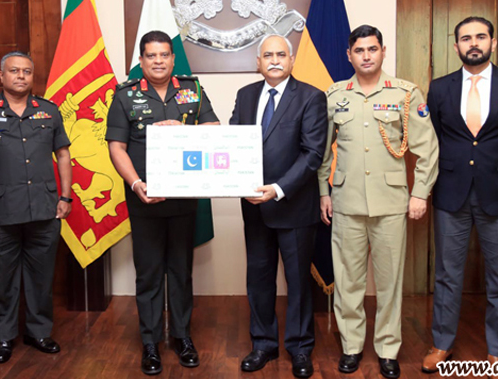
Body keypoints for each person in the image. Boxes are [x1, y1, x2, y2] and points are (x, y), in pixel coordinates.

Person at [318, 25, 439, 379]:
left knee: (389, 283)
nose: (366, 55)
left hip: (390, 204)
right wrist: (323, 192)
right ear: (349, 55)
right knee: (348, 282)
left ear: (383, 51)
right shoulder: (336, 95)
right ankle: (352, 347)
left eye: (373, 49)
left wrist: (420, 193)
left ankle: (388, 349)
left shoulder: (405, 94)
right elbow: (324, 153)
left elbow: (427, 149)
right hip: (346, 202)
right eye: (359, 50)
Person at [422, 17, 498, 377]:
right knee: (447, 275)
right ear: (455, 46)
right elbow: (433, 140)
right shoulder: (439, 88)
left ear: (493, 42)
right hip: (451, 194)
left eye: (481, 37)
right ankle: (442, 343)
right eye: (466, 38)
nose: (474, 43)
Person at [106, 30, 220, 376]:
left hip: (185, 198)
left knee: (181, 272)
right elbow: (116, 147)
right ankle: (151, 343)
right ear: (141, 61)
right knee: (150, 273)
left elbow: (215, 130)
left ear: (173, 59)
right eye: (151, 56)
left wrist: (183, 131)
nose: (159, 61)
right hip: (145, 199)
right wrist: (136, 184)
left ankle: (183, 338)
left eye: (164, 55)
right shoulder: (125, 96)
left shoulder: (193, 90)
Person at [0, 51, 72, 364]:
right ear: (1, 76)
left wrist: (65, 197)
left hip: (43, 207)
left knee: (41, 277)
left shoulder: (48, 111)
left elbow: (63, 155)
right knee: (1, 278)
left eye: (26, 71)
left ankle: (38, 332)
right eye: (13, 71)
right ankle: (4, 337)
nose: (20, 76)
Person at [230, 34, 327, 379]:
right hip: (254, 207)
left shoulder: (312, 97)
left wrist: (277, 188)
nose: (274, 60)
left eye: (280, 54)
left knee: (298, 282)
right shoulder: (245, 96)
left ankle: (300, 348)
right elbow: (232, 144)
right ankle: (263, 344)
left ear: (291, 60)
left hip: (294, 206)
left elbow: (313, 153)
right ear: (258, 62)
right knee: (258, 279)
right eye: (267, 55)